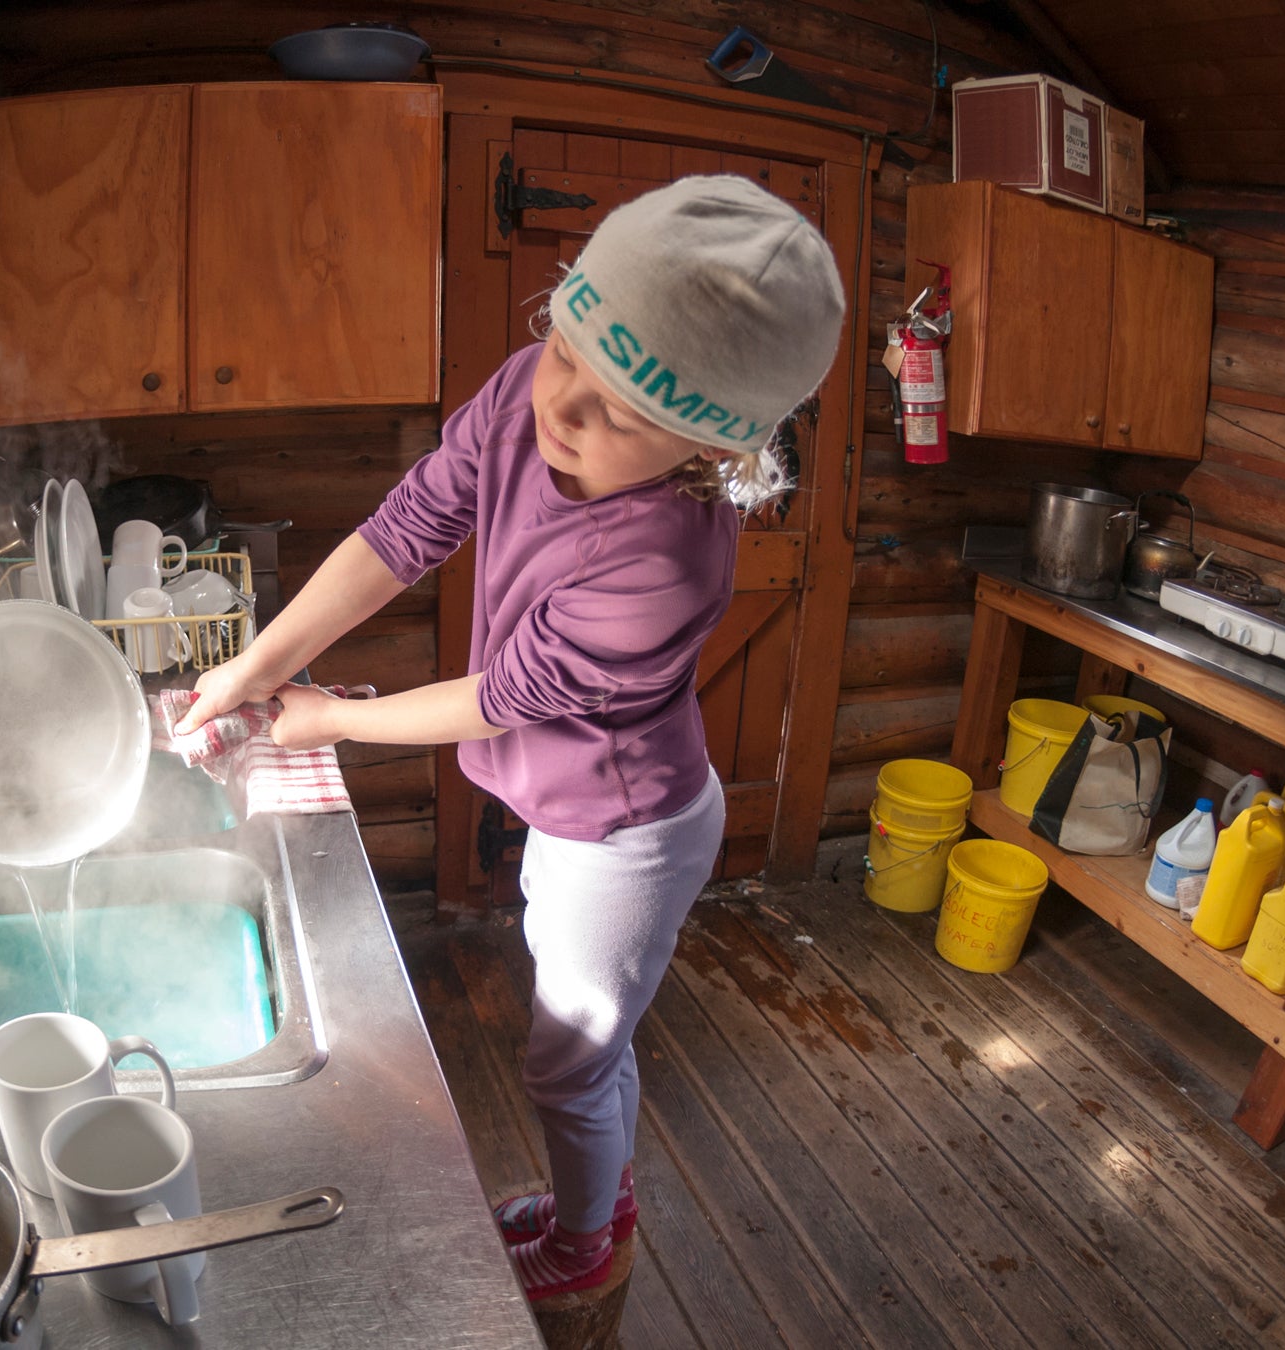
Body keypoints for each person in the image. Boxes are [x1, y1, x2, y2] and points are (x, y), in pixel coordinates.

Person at [175, 175, 846, 1300]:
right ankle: (608, 1197)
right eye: (564, 348)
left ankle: (588, 1252)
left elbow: (505, 697)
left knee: (566, 1061)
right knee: (595, 1046)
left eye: (617, 414)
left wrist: (332, 714)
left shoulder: (668, 559)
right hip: (564, 808)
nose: (563, 408)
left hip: (625, 832)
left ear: (705, 449)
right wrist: (258, 665)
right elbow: (405, 530)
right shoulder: (525, 398)